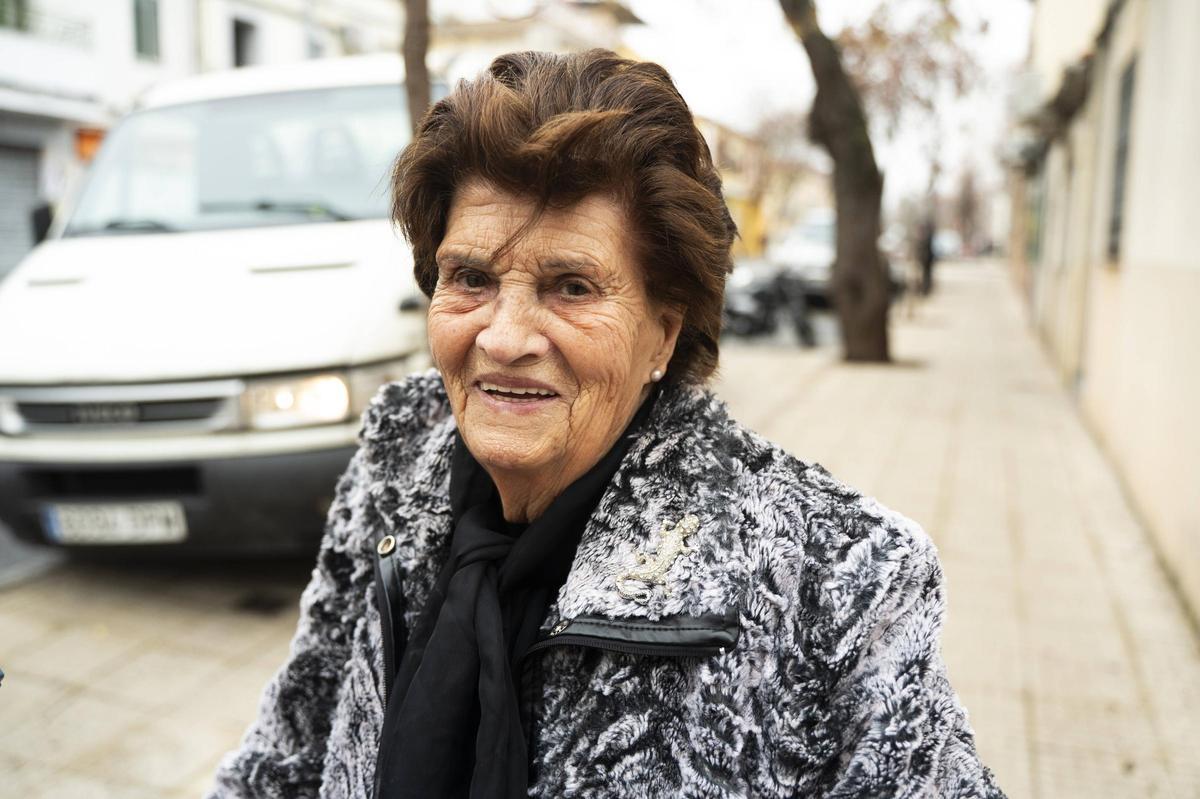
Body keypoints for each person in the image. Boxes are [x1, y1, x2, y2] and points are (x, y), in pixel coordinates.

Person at [207, 49, 1005, 798]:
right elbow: (288, 753)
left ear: (663, 332)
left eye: (572, 287)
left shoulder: (837, 578)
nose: (504, 338)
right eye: (471, 277)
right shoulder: (393, 468)